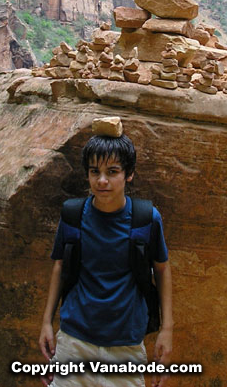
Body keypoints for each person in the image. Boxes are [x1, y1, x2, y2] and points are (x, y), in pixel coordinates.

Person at [39, 129, 173, 387]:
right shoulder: (73, 216)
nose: (102, 181)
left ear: (129, 174)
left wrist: (167, 329)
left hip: (126, 346)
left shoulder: (146, 219)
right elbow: (59, 266)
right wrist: (46, 321)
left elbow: (162, 270)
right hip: (74, 341)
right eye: (94, 172)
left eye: (112, 172)